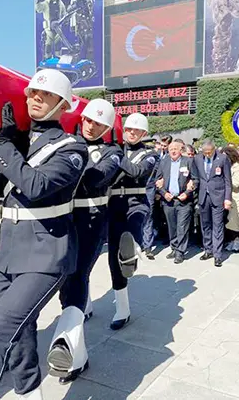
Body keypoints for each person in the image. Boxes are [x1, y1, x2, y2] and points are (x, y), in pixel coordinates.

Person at [0, 69, 88, 400]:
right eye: (31, 93)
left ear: (63, 105)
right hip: (6, 254)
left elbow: (36, 185)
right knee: (20, 334)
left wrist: (3, 148)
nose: (36, 99)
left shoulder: (72, 147)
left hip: (46, 254)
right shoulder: (15, 142)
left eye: (45, 95)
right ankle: (30, 393)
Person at [47, 98, 122, 384]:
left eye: (99, 123)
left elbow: (96, 179)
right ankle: (79, 358)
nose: (92, 127)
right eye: (89, 120)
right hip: (64, 220)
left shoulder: (112, 152)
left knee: (78, 278)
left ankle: (67, 344)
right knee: (66, 284)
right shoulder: (66, 143)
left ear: (107, 127)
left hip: (91, 221)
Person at [107, 113, 158, 330]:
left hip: (136, 204)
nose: (131, 133)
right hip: (112, 205)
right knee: (111, 258)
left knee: (130, 234)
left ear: (144, 134)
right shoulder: (116, 149)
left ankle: (133, 248)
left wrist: (115, 154)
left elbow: (137, 171)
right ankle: (123, 308)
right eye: (128, 129)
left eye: (136, 131)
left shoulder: (150, 155)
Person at [155, 139, 198, 264]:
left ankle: (180, 252)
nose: (173, 151)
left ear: (181, 150)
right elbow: (158, 181)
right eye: (170, 149)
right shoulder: (164, 162)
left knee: (182, 226)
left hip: (183, 200)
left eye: (175, 149)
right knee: (172, 226)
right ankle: (174, 247)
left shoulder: (188, 161)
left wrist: (187, 193)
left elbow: (196, 180)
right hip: (168, 200)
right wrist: (164, 193)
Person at [191, 139, 231, 267]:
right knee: (205, 224)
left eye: (209, 152)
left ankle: (217, 254)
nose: (207, 155)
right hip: (204, 195)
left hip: (218, 196)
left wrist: (227, 198)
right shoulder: (197, 159)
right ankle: (208, 249)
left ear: (214, 150)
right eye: (205, 153)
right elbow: (196, 176)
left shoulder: (223, 158)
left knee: (218, 225)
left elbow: (227, 180)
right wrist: (193, 185)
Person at [223, 146, 239, 252]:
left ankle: (238, 241)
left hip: (236, 197)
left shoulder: (237, 167)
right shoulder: (228, 166)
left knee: (237, 221)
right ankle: (233, 240)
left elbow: (236, 184)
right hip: (228, 197)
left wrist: (224, 178)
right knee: (230, 222)